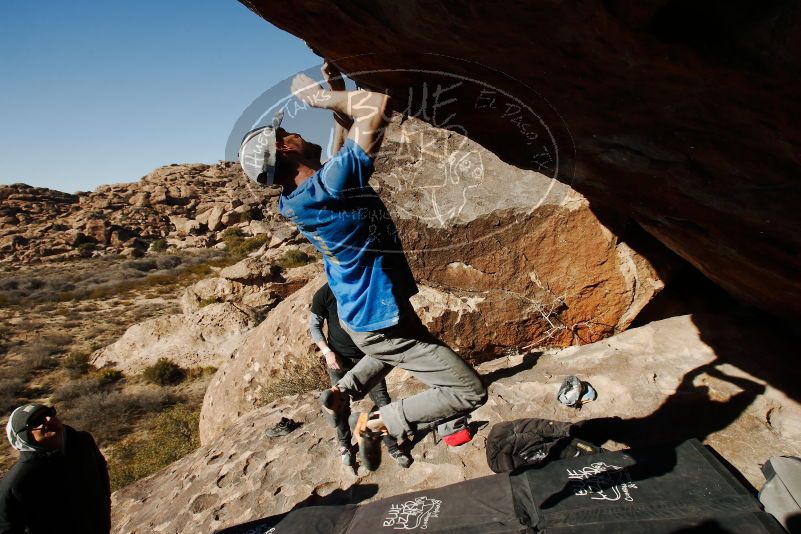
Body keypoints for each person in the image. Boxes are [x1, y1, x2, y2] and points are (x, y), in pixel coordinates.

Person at [239, 60, 486, 461]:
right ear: (284, 148)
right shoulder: (329, 187)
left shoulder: (301, 195)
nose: (298, 132)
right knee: (467, 390)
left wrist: (335, 91)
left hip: (367, 310)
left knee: (403, 347)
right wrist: (319, 99)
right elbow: (376, 106)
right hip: (377, 317)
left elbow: (339, 145)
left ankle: (344, 391)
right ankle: (380, 422)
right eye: (288, 133)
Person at [309, 281, 412, 468]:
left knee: (382, 401)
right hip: (338, 359)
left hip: (368, 357)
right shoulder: (324, 293)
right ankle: (345, 445)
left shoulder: (364, 286)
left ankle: (392, 446)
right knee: (338, 405)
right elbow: (314, 325)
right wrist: (326, 352)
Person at [0, 404, 111, 534]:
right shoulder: (16, 484)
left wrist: (104, 512)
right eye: (37, 421)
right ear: (24, 438)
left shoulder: (82, 442)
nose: (48, 419)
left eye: (49, 412)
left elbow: (102, 477)